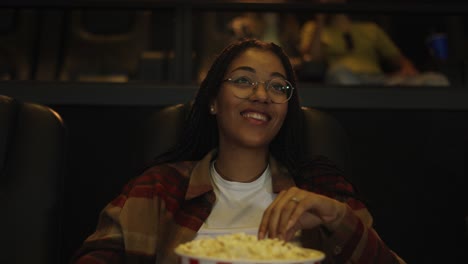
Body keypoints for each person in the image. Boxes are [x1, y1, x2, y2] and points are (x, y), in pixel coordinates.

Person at [70, 38, 406, 264]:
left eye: (278, 86)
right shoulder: (160, 188)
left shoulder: (322, 187)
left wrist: (337, 218)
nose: (262, 95)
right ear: (214, 101)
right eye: (244, 81)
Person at [299, 10, 449, 86]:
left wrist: (407, 68)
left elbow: (397, 58)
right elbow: (313, 58)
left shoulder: (370, 29)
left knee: (437, 80)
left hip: (380, 81)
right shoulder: (314, 28)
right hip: (345, 79)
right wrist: (320, 18)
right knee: (341, 75)